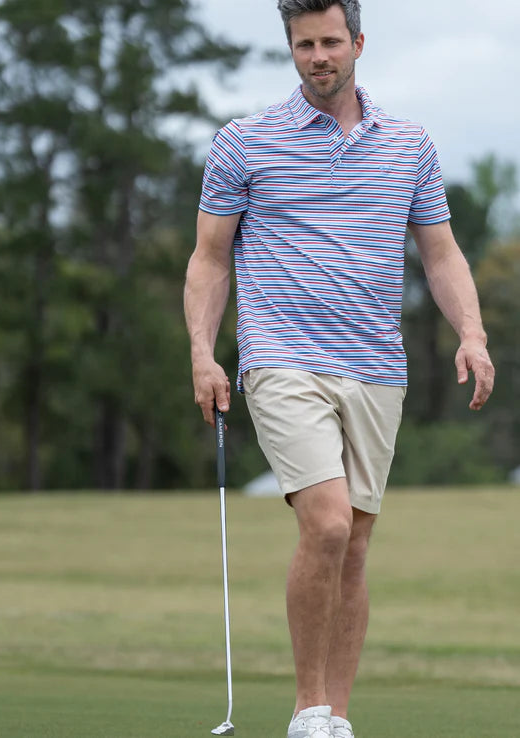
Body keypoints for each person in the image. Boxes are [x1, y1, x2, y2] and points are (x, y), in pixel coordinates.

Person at [184, 1, 495, 736]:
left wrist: (473, 334)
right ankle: (307, 708)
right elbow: (209, 257)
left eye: (329, 41)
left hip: (376, 369)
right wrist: (202, 352)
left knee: (353, 546)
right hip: (282, 360)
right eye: (302, 45)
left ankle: (336, 719)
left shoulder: (411, 146)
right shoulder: (243, 143)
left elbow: (441, 254)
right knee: (324, 525)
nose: (317, 56)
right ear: (290, 50)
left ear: (357, 43)